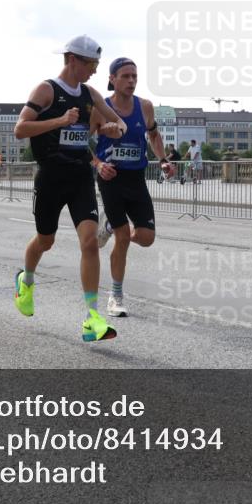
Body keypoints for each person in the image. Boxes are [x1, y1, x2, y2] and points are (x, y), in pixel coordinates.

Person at [12, 34, 126, 342]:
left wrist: (112, 129)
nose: (94, 70)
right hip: (50, 177)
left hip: (80, 177)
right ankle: (26, 280)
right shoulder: (46, 89)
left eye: (97, 65)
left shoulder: (90, 94)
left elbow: (118, 123)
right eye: (91, 64)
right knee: (45, 241)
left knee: (89, 242)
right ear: (73, 60)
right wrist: (60, 121)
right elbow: (20, 129)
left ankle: (92, 318)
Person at [91, 57, 174, 317]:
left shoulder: (145, 106)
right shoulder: (100, 107)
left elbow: (154, 134)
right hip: (111, 178)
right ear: (112, 79)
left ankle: (108, 225)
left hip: (136, 179)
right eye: (125, 76)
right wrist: (98, 164)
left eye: (134, 76)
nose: (131, 81)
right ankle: (115, 296)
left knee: (147, 238)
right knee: (123, 237)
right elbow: (83, 141)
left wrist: (163, 160)